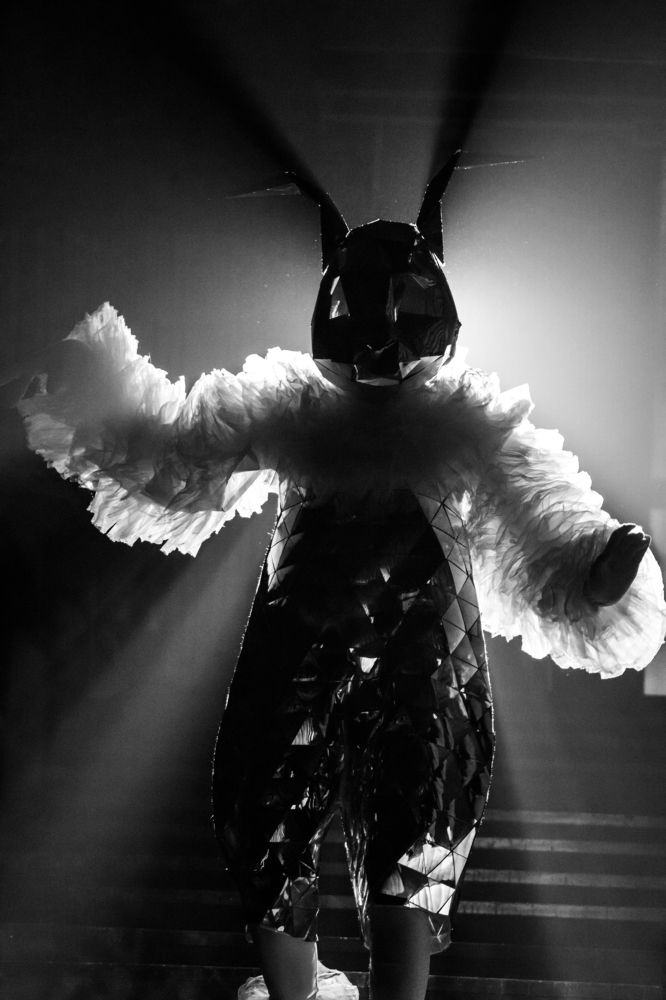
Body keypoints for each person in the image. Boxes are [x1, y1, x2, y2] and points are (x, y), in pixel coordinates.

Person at [8, 182, 666, 1000]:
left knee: (418, 824)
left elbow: (537, 514)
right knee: (262, 810)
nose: (380, 331)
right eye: (363, 305)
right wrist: (91, 388)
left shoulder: (464, 420)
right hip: (303, 640)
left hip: (427, 653)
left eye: (398, 304)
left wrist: (592, 572)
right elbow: (178, 452)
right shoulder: (292, 406)